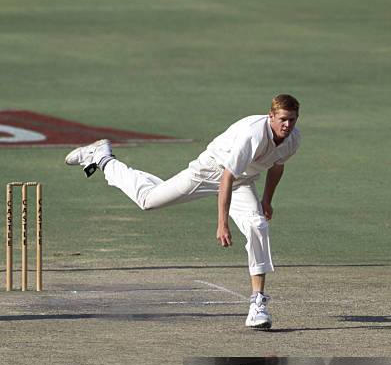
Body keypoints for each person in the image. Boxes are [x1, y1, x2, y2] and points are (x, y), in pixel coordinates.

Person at [65, 94, 301, 329]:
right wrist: (222, 223)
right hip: (209, 172)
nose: (287, 125)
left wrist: (267, 200)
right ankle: (102, 157)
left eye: (292, 120)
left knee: (257, 225)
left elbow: (277, 166)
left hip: (242, 181)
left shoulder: (292, 139)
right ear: (271, 116)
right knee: (148, 200)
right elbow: (226, 178)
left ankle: (257, 303)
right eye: (283, 119)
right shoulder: (252, 134)